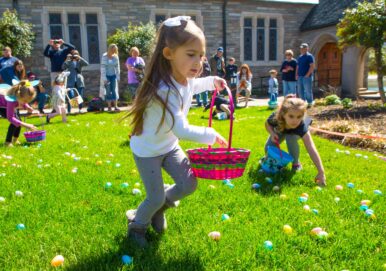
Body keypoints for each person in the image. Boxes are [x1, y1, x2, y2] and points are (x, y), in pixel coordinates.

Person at [124, 15, 228, 248]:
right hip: (148, 151)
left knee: (188, 184)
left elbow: (195, 85)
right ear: (169, 54)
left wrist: (213, 81)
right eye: (191, 55)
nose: (198, 62)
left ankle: (158, 210)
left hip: (168, 146)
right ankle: (137, 226)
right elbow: (180, 128)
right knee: (155, 196)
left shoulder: (184, 78)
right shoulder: (163, 89)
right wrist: (210, 134)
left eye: (200, 55)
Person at [263, 94, 326, 186]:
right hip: (281, 129)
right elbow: (267, 124)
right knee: (268, 148)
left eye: (299, 117)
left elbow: (311, 148)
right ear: (284, 114)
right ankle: (274, 162)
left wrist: (321, 172)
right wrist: (272, 134)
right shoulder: (276, 117)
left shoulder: (301, 126)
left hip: (293, 134)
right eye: (291, 116)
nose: (295, 121)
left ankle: (296, 164)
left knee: (291, 138)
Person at [0, 81, 37, 146]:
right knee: (15, 122)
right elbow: (10, 118)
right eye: (25, 101)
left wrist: (27, 107)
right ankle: (7, 142)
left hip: (11, 104)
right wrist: (26, 125)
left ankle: (15, 139)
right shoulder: (11, 100)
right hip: (2, 106)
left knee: (18, 121)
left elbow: (24, 102)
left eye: (28, 101)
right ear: (19, 96)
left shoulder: (20, 96)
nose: (26, 102)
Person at [100, 44, 120, 112]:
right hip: (107, 76)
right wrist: (104, 78)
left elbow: (117, 67)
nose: (114, 51)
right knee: (108, 91)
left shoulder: (116, 57)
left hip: (113, 75)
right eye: (113, 50)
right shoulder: (104, 56)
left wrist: (118, 76)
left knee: (114, 90)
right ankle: (109, 106)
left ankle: (115, 106)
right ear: (110, 49)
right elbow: (103, 68)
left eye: (115, 50)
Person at [296, 43, 315, 107]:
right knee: (300, 91)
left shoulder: (309, 56)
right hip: (300, 76)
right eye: (301, 48)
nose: (301, 49)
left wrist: (307, 75)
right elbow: (298, 67)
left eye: (303, 48)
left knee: (307, 90)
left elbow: (312, 66)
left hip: (307, 77)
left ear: (307, 48)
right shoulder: (300, 57)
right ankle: (302, 103)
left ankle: (310, 103)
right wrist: (296, 74)